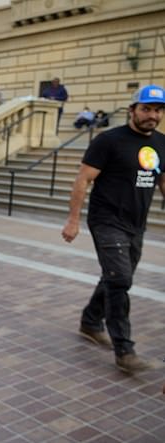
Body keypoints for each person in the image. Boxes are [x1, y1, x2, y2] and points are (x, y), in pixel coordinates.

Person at [61, 84, 165, 374]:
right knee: (120, 280)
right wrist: (73, 220)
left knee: (116, 276)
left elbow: (163, 182)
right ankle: (125, 351)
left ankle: (90, 322)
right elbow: (83, 179)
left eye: (157, 110)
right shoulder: (109, 141)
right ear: (132, 110)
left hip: (136, 224)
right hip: (106, 220)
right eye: (146, 109)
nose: (152, 116)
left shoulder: (162, 143)